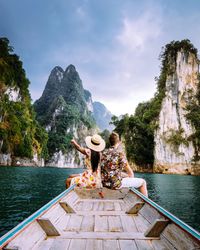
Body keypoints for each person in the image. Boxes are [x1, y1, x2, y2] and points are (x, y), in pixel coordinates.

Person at [101, 131, 148, 196]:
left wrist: (124, 175)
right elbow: (131, 174)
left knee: (124, 176)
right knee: (143, 182)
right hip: (115, 184)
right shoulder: (120, 154)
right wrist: (129, 178)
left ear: (110, 141)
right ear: (119, 142)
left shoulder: (104, 153)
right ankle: (145, 204)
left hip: (104, 183)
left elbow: (109, 171)